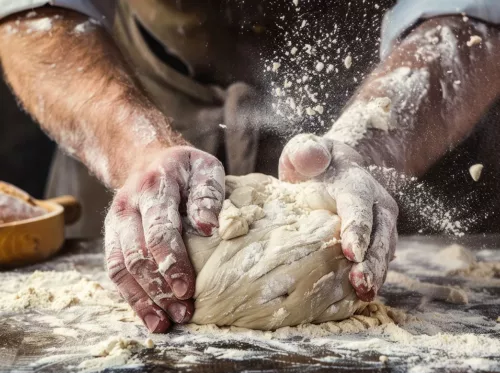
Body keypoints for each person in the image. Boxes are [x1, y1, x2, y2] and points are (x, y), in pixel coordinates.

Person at [0, 0, 499, 333]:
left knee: (359, 245)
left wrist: (370, 144)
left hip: (393, 104)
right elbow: (33, 14)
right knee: (154, 245)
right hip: (135, 95)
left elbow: (470, 11)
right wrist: (138, 150)